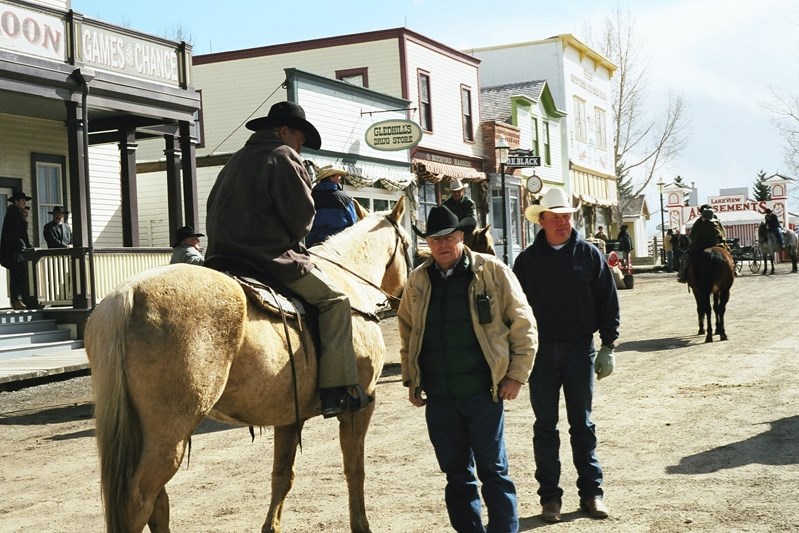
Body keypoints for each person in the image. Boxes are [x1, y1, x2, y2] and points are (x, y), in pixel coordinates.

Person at [205, 100, 370, 419]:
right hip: (267, 259)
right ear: (283, 131)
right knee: (335, 302)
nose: (301, 144)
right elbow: (302, 218)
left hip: (220, 259)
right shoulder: (283, 156)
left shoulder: (234, 161)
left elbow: (213, 208)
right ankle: (337, 391)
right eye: (299, 137)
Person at [399, 204, 537, 533]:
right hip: (441, 399)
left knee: (494, 472)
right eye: (434, 240)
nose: (442, 245)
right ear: (427, 244)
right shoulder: (417, 281)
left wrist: (516, 375)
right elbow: (406, 332)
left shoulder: (491, 270)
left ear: (461, 236)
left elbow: (524, 324)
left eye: (449, 237)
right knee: (457, 476)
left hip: (483, 394)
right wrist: (411, 380)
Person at [512, 187, 620, 523]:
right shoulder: (526, 262)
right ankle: (550, 499)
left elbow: (608, 300)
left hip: (579, 351)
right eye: (555, 217)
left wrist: (608, 345)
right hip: (540, 355)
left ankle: (592, 493)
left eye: (567, 217)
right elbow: (514, 312)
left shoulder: (589, 255)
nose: (562, 223)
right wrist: (516, 354)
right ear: (540, 220)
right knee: (545, 427)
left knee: (582, 425)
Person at [305, 165, 358, 247]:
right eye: (338, 176)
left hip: (312, 245)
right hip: (338, 245)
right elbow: (353, 224)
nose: (339, 180)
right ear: (331, 178)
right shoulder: (344, 198)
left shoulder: (310, 196)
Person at [0, 191, 33, 310]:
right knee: (16, 275)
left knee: (20, 275)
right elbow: (15, 234)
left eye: (24, 201)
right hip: (13, 251)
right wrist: (23, 245)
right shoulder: (12, 213)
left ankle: (22, 299)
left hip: (17, 250)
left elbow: (22, 233)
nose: (24, 203)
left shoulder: (18, 214)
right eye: (22, 201)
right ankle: (16, 300)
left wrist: (24, 219)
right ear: (16, 202)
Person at [679, 204, 727, 283]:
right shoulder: (717, 222)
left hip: (701, 246)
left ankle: (683, 274)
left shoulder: (698, 223)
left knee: (686, 256)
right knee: (728, 254)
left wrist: (693, 243)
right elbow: (723, 234)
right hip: (717, 244)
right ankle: (733, 268)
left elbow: (692, 235)